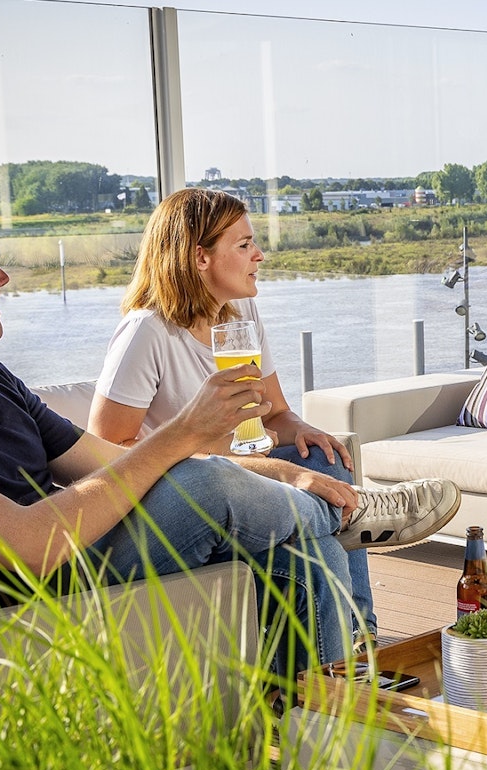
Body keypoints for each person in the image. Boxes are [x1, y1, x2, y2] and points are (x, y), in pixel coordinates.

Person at [0, 191, 460, 670]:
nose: (3, 277)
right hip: (32, 605)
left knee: (281, 514)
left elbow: (103, 459)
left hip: (86, 547)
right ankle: (341, 638)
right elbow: (30, 548)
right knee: (208, 485)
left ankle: (319, 703)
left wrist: (287, 469)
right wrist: (187, 436)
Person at [88, 188, 381, 644]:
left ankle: (361, 643)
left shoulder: (241, 313)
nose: (259, 254)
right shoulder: (147, 332)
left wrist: (303, 430)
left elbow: (276, 413)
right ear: (200, 257)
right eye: (243, 245)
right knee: (319, 536)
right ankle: (367, 514)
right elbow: (107, 451)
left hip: (247, 466)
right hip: (185, 486)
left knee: (328, 459)